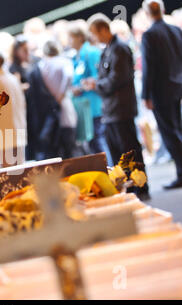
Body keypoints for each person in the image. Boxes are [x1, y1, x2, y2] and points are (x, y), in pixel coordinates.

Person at [84, 13, 150, 199]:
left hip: (121, 109)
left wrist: (96, 84)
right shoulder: (108, 49)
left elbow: (117, 79)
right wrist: (97, 83)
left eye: (95, 34)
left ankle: (141, 187)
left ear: (104, 30)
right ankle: (128, 189)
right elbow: (108, 79)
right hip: (111, 110)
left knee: (130, 152)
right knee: (118, 155)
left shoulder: (119, 49)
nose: (94, 39)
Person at [141, 0, 182, 189]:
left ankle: (181, 173)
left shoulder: (149, 34)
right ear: (163, 10)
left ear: (147, 13)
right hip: (177, 87)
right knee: (178, 130)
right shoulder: (175, 29)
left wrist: (146, 95)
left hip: (161, 91)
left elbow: (149, 67)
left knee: (170, 134)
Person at [68, 22, 107, 155]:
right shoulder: (75, 57)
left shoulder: (91, 53)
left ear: (79, 37)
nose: (68, 41)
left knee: (97, 141)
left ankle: (109, 171)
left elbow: (98, 77)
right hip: (83, 107)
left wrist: (82, 87)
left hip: (94, 106)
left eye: (70, 37)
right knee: (90, 143)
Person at [39, 40, 77, 159]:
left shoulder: (42, 65)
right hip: (63, 104)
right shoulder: (63, 62)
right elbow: (69, 76)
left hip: (49, 108)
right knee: (69, 148)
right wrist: (61, 94)